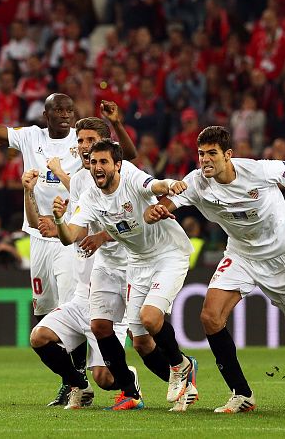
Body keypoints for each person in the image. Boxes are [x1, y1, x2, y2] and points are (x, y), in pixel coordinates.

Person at [145, 126, 285, 413]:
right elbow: (165, 204)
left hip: (281, 258)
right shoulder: (197, 182)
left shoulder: (258, 170)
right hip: (240, 255)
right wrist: (156, 211)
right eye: (201, 154)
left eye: (212, 154)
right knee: (210, 317)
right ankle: (242, 393)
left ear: (228, 155)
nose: (205, 160)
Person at [0, 65, 137, 406]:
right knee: (42, 312)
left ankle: (80, 385)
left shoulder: (85, 145)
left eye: (69, 110)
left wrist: (115, 126)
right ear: (45, 114)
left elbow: (127, 158)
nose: (65, 115)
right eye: (58, 110)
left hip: (71, 236)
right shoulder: (31, 137)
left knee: (68, 309)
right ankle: (73, 379)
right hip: (37, 235)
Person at [53, 139, 198, 411]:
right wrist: (60, 220)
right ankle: (137, 393)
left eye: (104, 161)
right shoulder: (90, 197)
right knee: (141, 341)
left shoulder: (130, 176)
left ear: (117, 165)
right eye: (94, 162)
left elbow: (153, 185)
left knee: (150, 317)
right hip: (138, 262)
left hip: (168, 254)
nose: (97, 167)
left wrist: (169, 185)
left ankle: (182, 366)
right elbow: (70, 236)